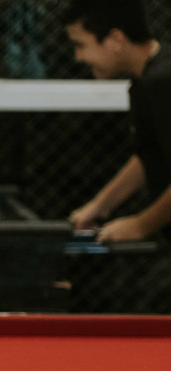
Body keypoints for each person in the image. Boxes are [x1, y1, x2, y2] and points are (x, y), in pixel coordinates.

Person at [62, 0, 171, 242]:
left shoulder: (163, 82)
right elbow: (151, 155)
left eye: (80, 45)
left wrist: (140, 225)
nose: (78, 57)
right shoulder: (145, 81)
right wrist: (100, 205)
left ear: (115, 40)